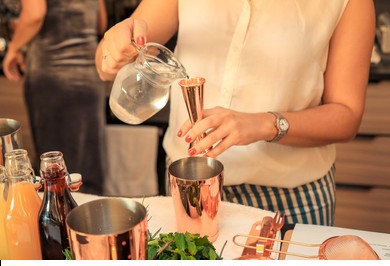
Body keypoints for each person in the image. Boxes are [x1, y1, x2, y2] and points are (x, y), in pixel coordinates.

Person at [95, 0, 375, 225]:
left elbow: (346, 116)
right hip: (190, 187)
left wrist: (265, 124)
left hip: (291, 198)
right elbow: (112, 58)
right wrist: (112, 50)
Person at [2, 0, 109, 195]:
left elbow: (35, 15)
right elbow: (101, 22)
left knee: (54, 172)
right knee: (89, 168)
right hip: (90, 73)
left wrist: (14, 48)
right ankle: (89, 223)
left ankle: (60, 223)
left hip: (52, 76)